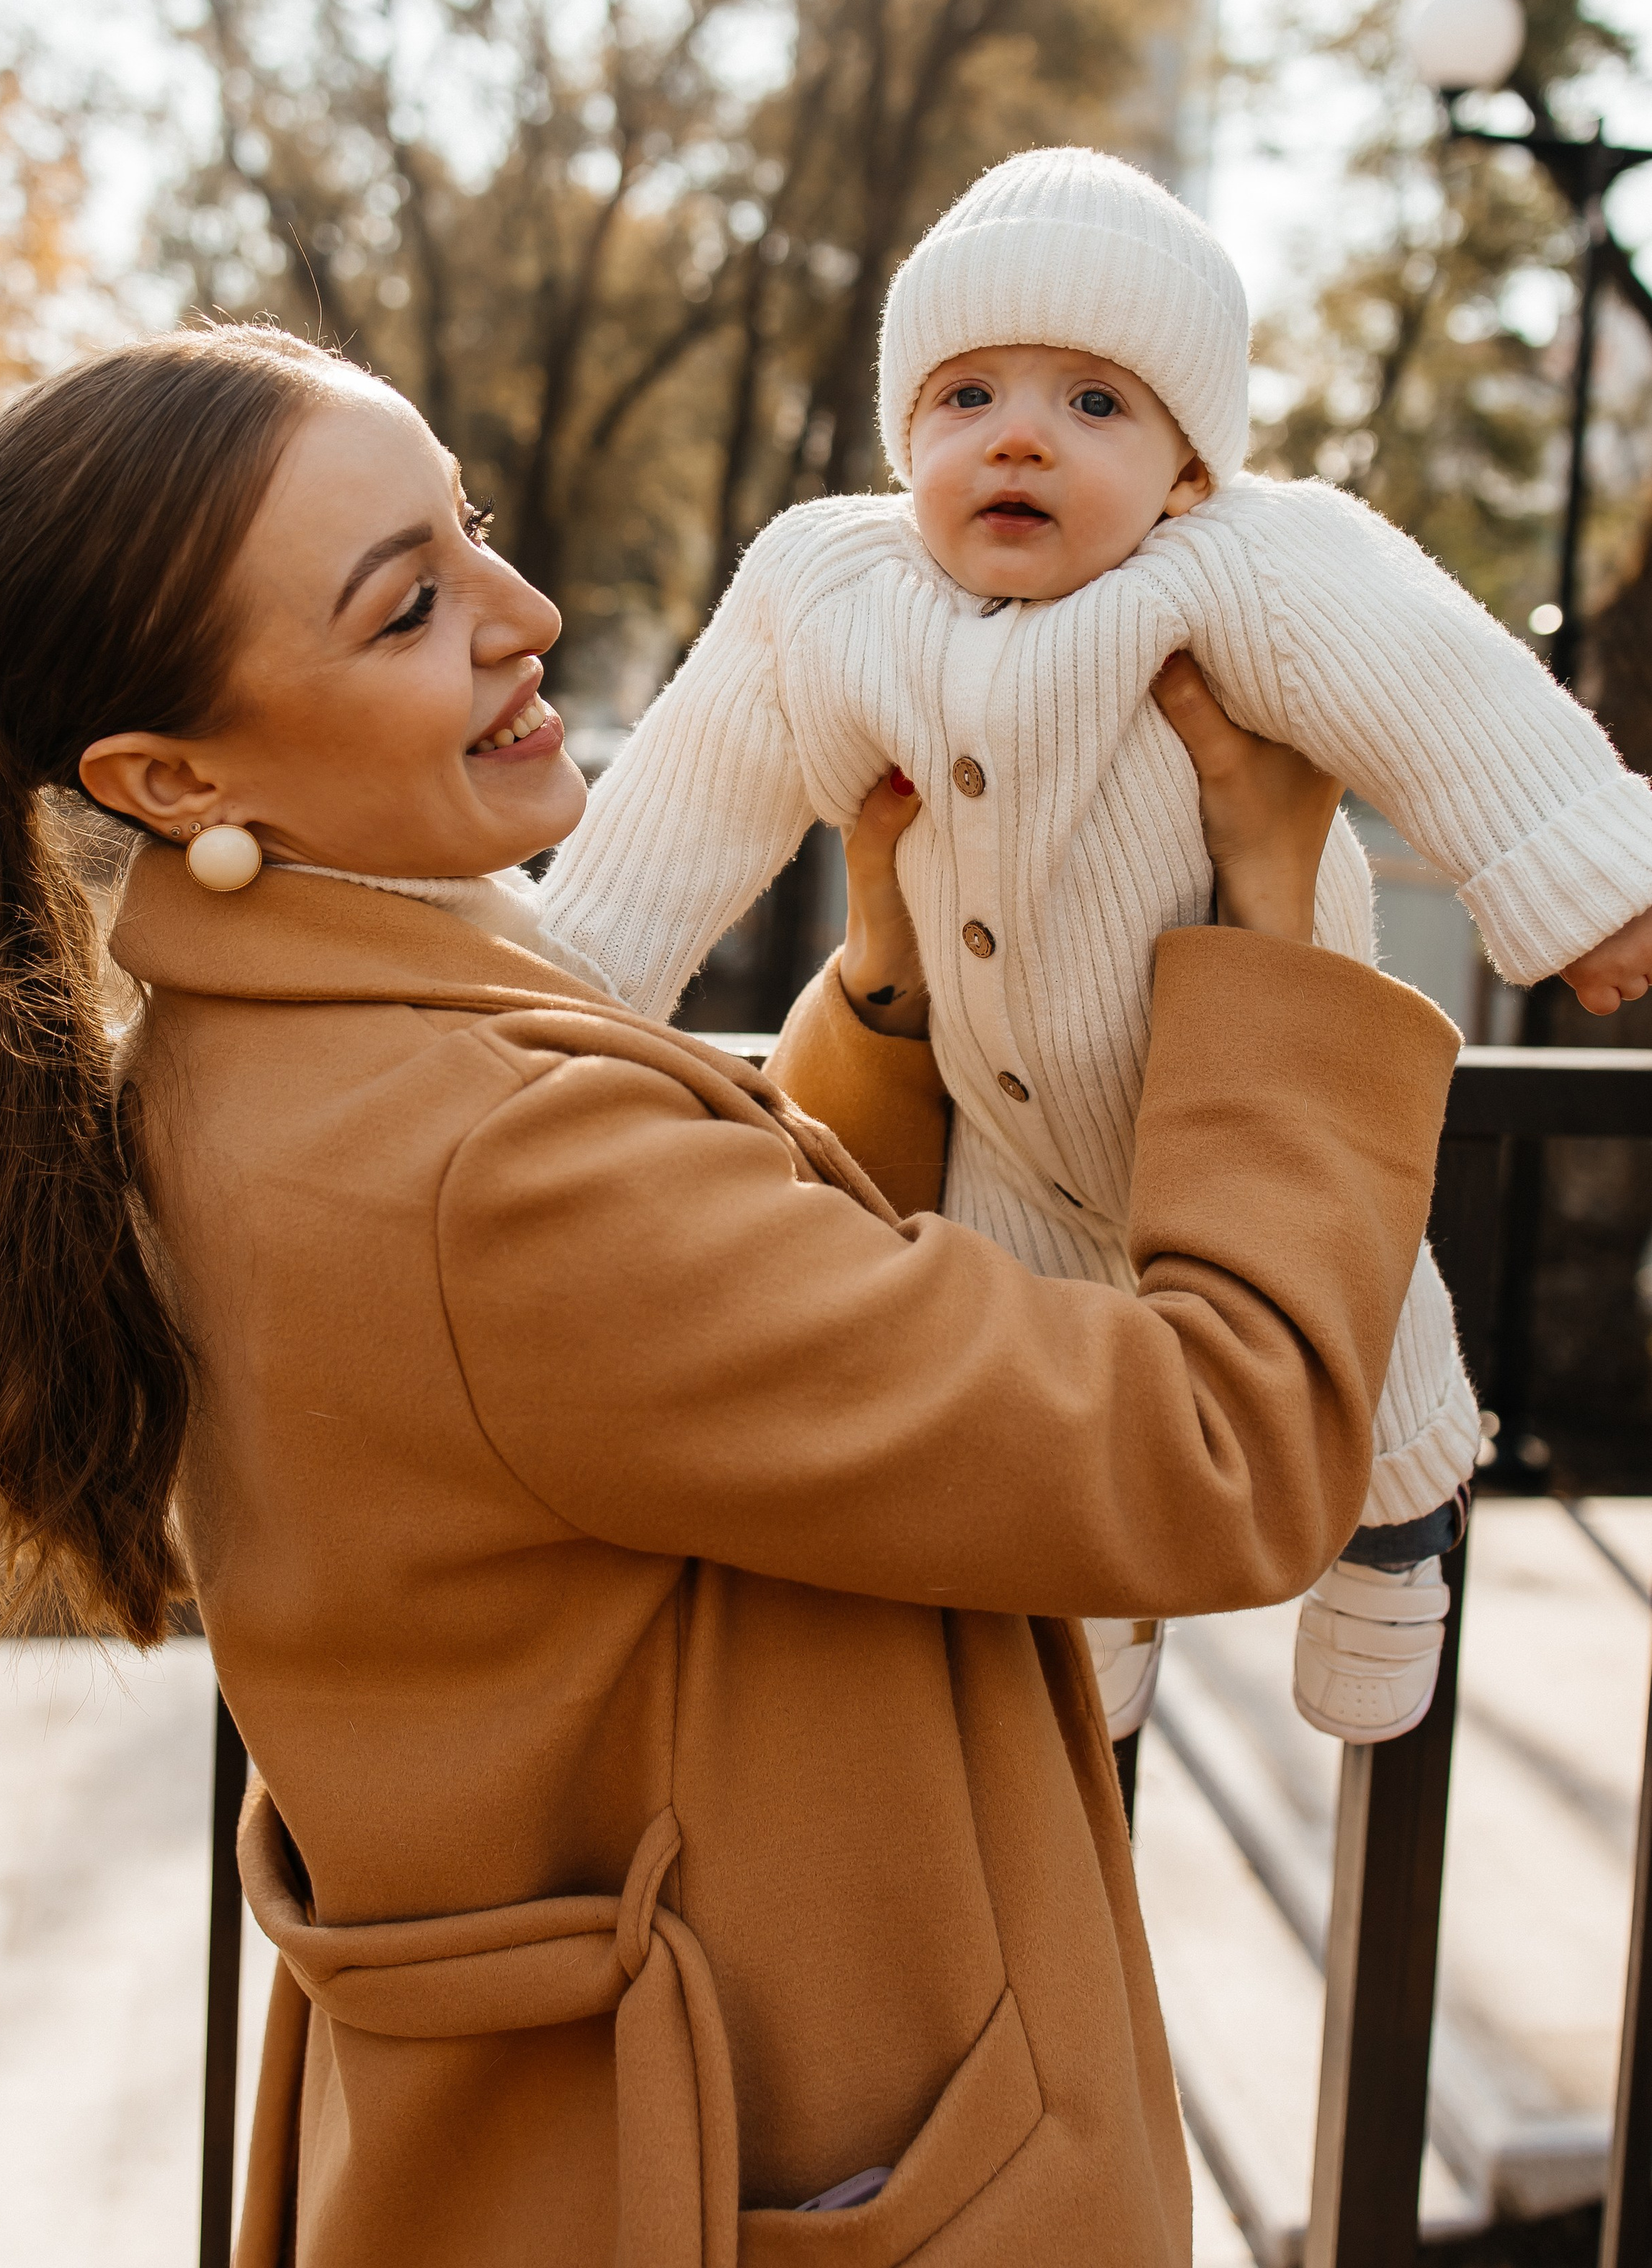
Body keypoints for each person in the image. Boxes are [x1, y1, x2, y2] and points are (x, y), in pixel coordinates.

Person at [0, 323, 1460, 2267]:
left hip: (562, 2128)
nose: (523, 611)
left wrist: (890, 995)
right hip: (765, 2163)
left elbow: (681, 1338)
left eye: (472, 527)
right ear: (172, 773)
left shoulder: (253, 1044)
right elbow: (1214, 1451)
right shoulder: (477, 1164)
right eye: (408, 604)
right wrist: (1276, 937)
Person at [540, 144, 1652, 1749]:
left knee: (1376, 1332)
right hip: (1002, 1126)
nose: (1016, 434)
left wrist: (1584, 885)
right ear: (901, 434)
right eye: (965, 393)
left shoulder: (1248, 564)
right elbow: (680, 807)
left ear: (1188, 472)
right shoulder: (823, 584)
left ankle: (1394, 1539)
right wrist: (556, 1002)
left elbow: (1439, 687)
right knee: (1039, 1400)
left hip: (1245, 1099)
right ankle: (1085, 1628)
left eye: (1093, 404)